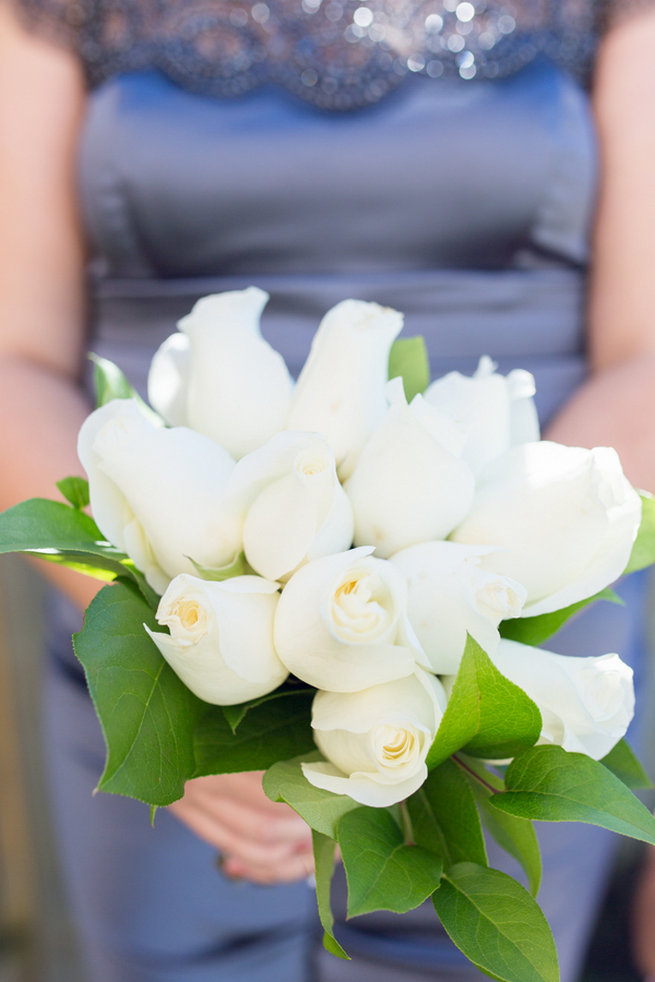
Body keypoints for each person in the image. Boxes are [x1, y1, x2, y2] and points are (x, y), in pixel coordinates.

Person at [0, 0, 654, 980]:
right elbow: (14, 352)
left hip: (511, 626)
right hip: (163, 613)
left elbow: (646, 350)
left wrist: (438, 636)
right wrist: (191, 650)